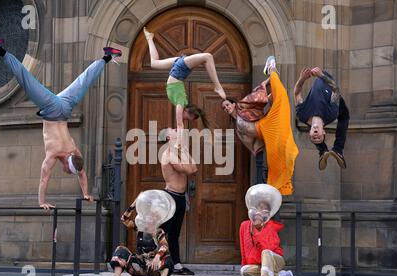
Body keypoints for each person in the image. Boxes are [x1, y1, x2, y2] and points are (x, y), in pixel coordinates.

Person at [0, 38, 122, 210]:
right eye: (68, 170)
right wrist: (41, 202)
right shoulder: (53, 154)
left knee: (84, 81)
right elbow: (44, 179)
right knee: (26, 79)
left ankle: (106, 57)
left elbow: (82, 174)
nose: (66, 171)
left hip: (65, 109)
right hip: (52, 109)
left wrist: (85, 193)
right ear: (68, 163)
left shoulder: (75, 151)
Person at [221, 56, 299, 196]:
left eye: (227, 104)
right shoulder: (237, 128)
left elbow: (257, 95)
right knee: (279, 159)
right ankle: (274, 191)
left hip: (265, 125)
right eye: (224, 108)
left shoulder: (242, 106)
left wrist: (269, 80)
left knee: (281, 99)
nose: (226, 108)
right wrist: (257, 151)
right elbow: (250, 142)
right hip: (264, 137)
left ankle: (271, 70)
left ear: (233, 103)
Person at [143, 27, 224, 135]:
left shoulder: (181, 102)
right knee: (208, 57)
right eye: (187, 118)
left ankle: (149, 38)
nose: (185, 120)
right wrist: (178, 143)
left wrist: (175, 132)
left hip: (178, 69)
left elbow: (180, 126)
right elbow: (180, 125)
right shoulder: (180, 103)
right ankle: (218, 86)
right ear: (186, 112)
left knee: (154, 63)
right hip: (179, 70)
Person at [107, 190, 176, 276]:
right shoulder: (139, 228)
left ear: (156, 219)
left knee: (167, 257)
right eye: (148, 216)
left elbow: (164, 246)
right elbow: (124, 219)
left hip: (154, 267)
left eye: (152, 217)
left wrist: (157, 257)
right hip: (138, 266)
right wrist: (135, 203)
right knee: (120, 250)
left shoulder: (158, 232)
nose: (149, 218)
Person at [158, 128, 198, 275]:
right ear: (169, 137)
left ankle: (177, 265)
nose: (177, 130)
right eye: (173, 130)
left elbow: (194, 168)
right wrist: (185, 152)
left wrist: (185, 150)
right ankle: (156, 261)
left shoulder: (178, 153)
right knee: (162, 232)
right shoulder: (169, 154)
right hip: (170, 197)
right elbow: (188, 170)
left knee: (174, 234)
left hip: (180, 198)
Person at [294, 67, 350, 170]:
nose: (316, 136)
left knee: (311, 121)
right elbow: (336, 90)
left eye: (313, 137)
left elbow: (297, 93)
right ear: (323, 132)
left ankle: (322, 151)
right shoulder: (332, 114)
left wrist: (301, 79)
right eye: (318, 137)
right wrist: (322, 76)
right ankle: (338, 149)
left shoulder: (302, 114)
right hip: (328, 85)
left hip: (313, 107)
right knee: (345, 115)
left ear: (310, 132)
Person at [240, 184, 293, 276]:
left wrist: (259, 230)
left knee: (266, 252)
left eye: (264, 210)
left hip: (274, 259)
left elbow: (268, 248)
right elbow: (243, 247)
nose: (260, 212)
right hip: (257, 264)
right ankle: (279, 275)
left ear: (267, 214)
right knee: (244, 270)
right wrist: (245, 264)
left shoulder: (270, 226)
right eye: (259, 209)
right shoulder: (244, 225)